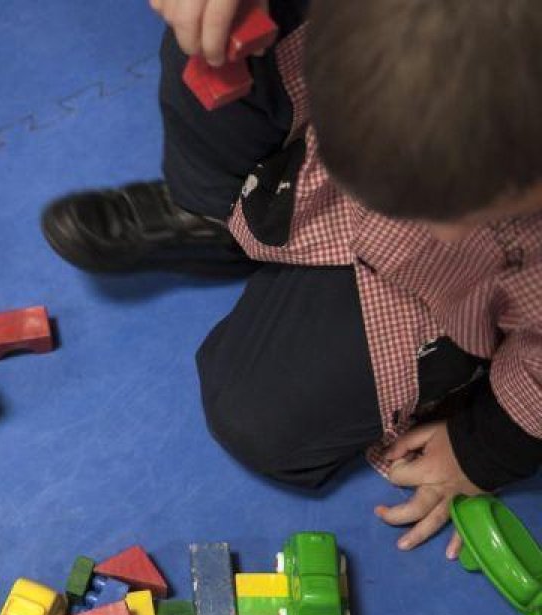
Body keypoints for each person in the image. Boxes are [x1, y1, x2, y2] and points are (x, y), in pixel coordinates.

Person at [41, 0, 542, 555]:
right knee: (215, 40)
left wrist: (483, 449)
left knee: (255, 419)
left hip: (438, 293)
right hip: (317, 166)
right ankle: (217, 218)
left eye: (450, 207)